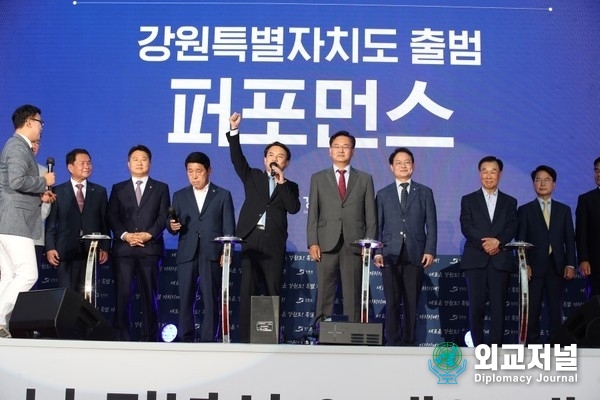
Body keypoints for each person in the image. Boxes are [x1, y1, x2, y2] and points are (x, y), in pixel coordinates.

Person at [226, 112, 301, 343]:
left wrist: (282, 181)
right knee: (247, 288)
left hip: (273, 243)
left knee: (271, 290)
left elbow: (294, 208)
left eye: (280, 156)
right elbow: (237, 159)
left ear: (286, 163)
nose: (275, 159)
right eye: (271, 155)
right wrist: (234, 130)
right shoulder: (253, 177)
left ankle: (268, 339)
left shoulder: (290, 185)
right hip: (250, 239)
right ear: (264, 158)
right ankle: (246, 339)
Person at [307, 130, 376, 323]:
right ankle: (320, 330)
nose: (341, 150)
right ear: (330, 151)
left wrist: (367, 244)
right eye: (337, 146)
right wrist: (312, 241)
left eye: (346, 147)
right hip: (326, 243)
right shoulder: (318, 178)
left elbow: (371, 215)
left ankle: (353, 330)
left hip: (355, 244)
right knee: (325, 291)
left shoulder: (364, 179)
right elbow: (313, 213)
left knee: (353, 292)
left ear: (352, 151)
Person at [0, 104, 56, 338]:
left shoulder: (16, 146)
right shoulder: (18, 146)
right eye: (40, 123)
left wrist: (39, 195)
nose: (42, 128)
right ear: (30, 122)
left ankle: (2, 323)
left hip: (9, 220)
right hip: (15, 222)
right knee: (28, 274)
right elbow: (16, 181)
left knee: (11, 276)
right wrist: (44, 181)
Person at [167, 152, 235, 342]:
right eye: (190, 172)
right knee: (185, 298)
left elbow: (228, 227)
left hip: (212, 253)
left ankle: (208, 340)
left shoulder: (222, 195)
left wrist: (226, 252)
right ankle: (185, 337)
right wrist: (171, 226)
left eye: (199, 171)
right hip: (187, 252)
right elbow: (172, 224)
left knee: (210, 299)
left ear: (209, 171)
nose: (194, 176)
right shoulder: (180, 195)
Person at [374, 147, 437, 346]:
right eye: (399, 162)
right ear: (391, 167)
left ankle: (409, 342)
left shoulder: (425, 192)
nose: (403, 166)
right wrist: (377, 252)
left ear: (413, 166)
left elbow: (432, 224)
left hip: (416, 253)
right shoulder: (383, 194)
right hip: (390, 254)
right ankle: (392, 341)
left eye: (407, 162)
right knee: (392, 302)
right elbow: (377, 224)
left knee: (411, 303)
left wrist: (430, 249)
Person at [107, 145, 170, 341]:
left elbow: (163, 217)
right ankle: (121, 338)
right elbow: (112, 216)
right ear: (128, 163)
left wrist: (148, 235)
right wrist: (125, 235)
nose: (140, 162)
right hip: (124, 250)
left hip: (149, 249)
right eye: (135, 159)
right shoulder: (118, 188)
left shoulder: (161, 188)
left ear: (150, 163)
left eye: (144, 159)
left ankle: (149, 338)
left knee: (149, 298)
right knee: (122, 296)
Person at [459, 155, 517, 346]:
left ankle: (496, 348)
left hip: (500, 260)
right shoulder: (468, 200)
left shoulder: (510, 201)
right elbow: (466, 226)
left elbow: (511, 227)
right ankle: (477, 345)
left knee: (498, 308)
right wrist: (486, 243)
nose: (489, 175)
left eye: (493, 171)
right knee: (476, 307)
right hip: (476, 259)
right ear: (479, 173)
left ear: (500, 174)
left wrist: (498, 242)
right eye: (485, 171)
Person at [517, 165, 576, 344]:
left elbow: (569, 239)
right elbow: (520, 240)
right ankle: (532, 346)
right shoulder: (525, 210)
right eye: (538, 180)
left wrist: (570, 264)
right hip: (533, 268)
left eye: (546, 180)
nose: (542, 183)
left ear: (554, 184)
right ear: (533, 184)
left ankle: (555, 346)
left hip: (557, 266)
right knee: (532, 310)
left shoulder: (563, 210)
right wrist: (523, 264)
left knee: (555, 310)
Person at [45, 149, 110, 293]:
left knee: (87, 296)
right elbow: (51, 224)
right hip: (65, 251)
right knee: (66, 295)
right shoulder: (57, 191)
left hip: (91, 252)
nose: (87, 166)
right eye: (82, 163)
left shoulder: (99, 191)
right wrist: (50, 247)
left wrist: (105, 247)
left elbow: (105, 223)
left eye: (89, 163)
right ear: (70, 167)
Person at [576, 156, 600, 300]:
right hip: (596, 264)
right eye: (596, 170)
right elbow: (581, 232)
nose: (598, 174)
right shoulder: (586, 199)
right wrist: (583, 259)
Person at [32, 140, 51, 284]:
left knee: (31, 280)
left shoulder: (45, 172)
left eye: (37, 143)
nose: (34, 146)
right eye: (31, 142)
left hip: (34, 235)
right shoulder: (6, 170)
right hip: (8, 234)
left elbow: (46, 207)